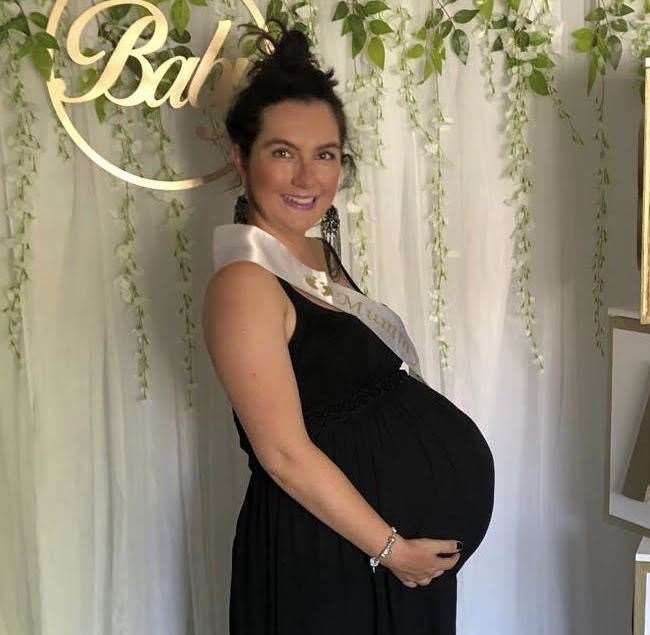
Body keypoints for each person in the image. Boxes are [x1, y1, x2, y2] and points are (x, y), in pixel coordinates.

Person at [202, 25, 495, 634]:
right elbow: (283, 454)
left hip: (374, 554)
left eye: (325, 154)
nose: (308, 178)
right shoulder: (244, 284)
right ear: (240, 158)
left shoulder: (314, 258)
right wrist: (394, 550)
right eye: (283, 152)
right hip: (328, 556)